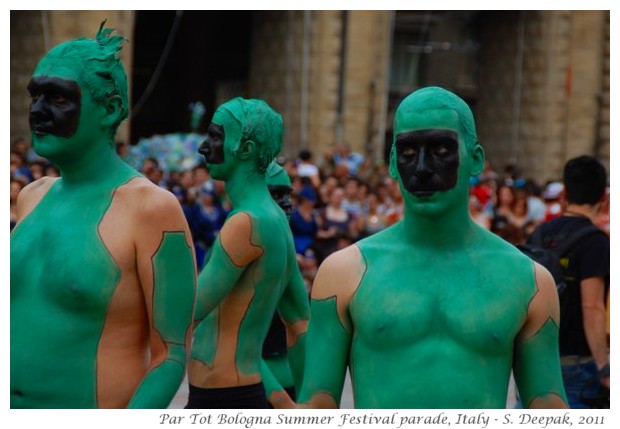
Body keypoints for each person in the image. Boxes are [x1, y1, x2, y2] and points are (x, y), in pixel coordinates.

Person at [297, 86, 567, 409]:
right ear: (394, 163)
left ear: (476, 159)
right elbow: (318, 406)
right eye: (409, 153)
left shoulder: (529, 282)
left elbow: (548, 409)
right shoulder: (343, 274)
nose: (422, 169)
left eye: (441, 151)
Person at [10, 23, 196, 408]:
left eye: (58, 98)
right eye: (35, 96)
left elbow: (171, 355)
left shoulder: (150, 208)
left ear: (110, 110)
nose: (39, 111)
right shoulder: (32, 196)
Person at [187, 97, 309, 409]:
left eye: (215, 136)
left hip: (223, 395)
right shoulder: (275, 221)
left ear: (246, 149)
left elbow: (188, 312)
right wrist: (308, 403)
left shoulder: (246, 222)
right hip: (238, 390)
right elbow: (300, 321)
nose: (204, 148)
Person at [527, 155, 610, 409]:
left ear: (564, 192)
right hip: (576, 365)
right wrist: (604, 367)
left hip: (536, 360)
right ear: (603, 199)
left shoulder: (539, 233)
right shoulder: (595, 241)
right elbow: (592, 307)